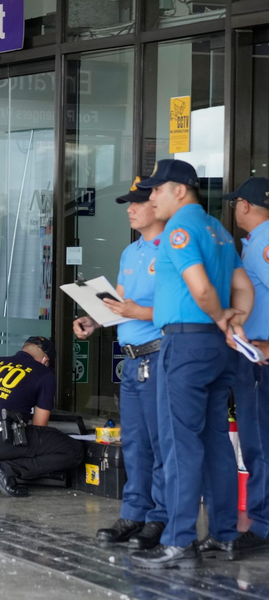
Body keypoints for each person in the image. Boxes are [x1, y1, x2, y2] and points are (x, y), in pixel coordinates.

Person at [130, 159, 254, 570]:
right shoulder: (219, 231)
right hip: (219, 349)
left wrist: (220, 316)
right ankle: (222, 535)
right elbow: (243, 286)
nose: (150, 197)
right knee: (217, 440)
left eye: (156, 190)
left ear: (179, 190)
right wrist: (235, 318)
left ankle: (179, 540)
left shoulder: (179, 231)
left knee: (179, 443)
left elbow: (200, 287)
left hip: (185, 344)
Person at [74, 177, 168, 551]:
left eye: (137, 202)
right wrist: (94, 320)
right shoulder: (132, 253)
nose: (130, 209)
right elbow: (121, 304)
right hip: (131, 361)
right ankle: (134, 513)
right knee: (136, 443)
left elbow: (183, 309)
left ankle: (160, 518)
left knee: (162, 443)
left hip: (160, 355)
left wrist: (135, 311)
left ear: (156, 205)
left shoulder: (172, 250)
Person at [198, 177, 269, 558]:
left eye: (236, 203)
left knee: (259, 445)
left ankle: (262, 525)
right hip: (252, 354)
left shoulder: (262, 243)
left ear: (244, 205)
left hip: (260, 359)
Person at [0, 337, 83, 498]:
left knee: (16, 435)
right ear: (45, 360)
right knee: (74, 450)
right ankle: (5, 470)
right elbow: (40, 425)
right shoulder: (43, 372)